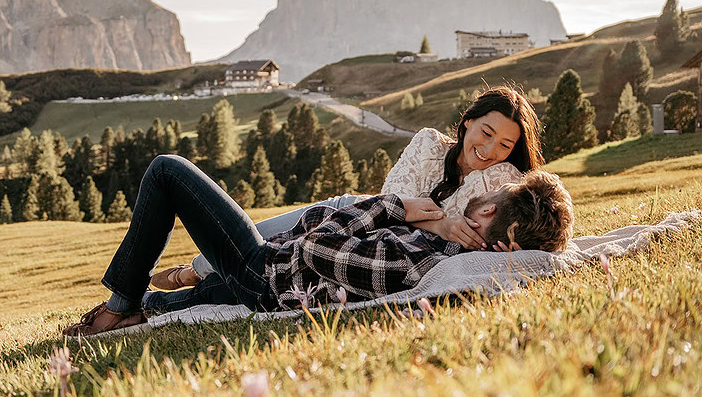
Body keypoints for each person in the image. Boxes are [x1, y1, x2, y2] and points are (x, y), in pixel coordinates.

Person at [61, 153, 573, 336]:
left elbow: (316, 250)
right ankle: (141, 308)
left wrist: (392, 206)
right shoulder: (441, 242)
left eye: (492, 194)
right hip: (282, 270)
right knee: (172, 305)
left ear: (486, 213)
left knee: (167, 172)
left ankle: (117, 306)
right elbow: (327, 235)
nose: (484, 192)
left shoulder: (425, 260)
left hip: (268, 272)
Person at [153, 86, 543, 295]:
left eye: (505, 145)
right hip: (350, 212)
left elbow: (529, 211)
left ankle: (196, 283)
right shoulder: (427, 143)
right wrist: (441, 225)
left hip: (365, 242)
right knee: (257, 239)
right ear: (468, 122)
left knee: (261, 260)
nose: (490, 150)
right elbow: (392, 199)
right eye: (486, 133)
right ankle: (194, 270)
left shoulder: (497, 177)